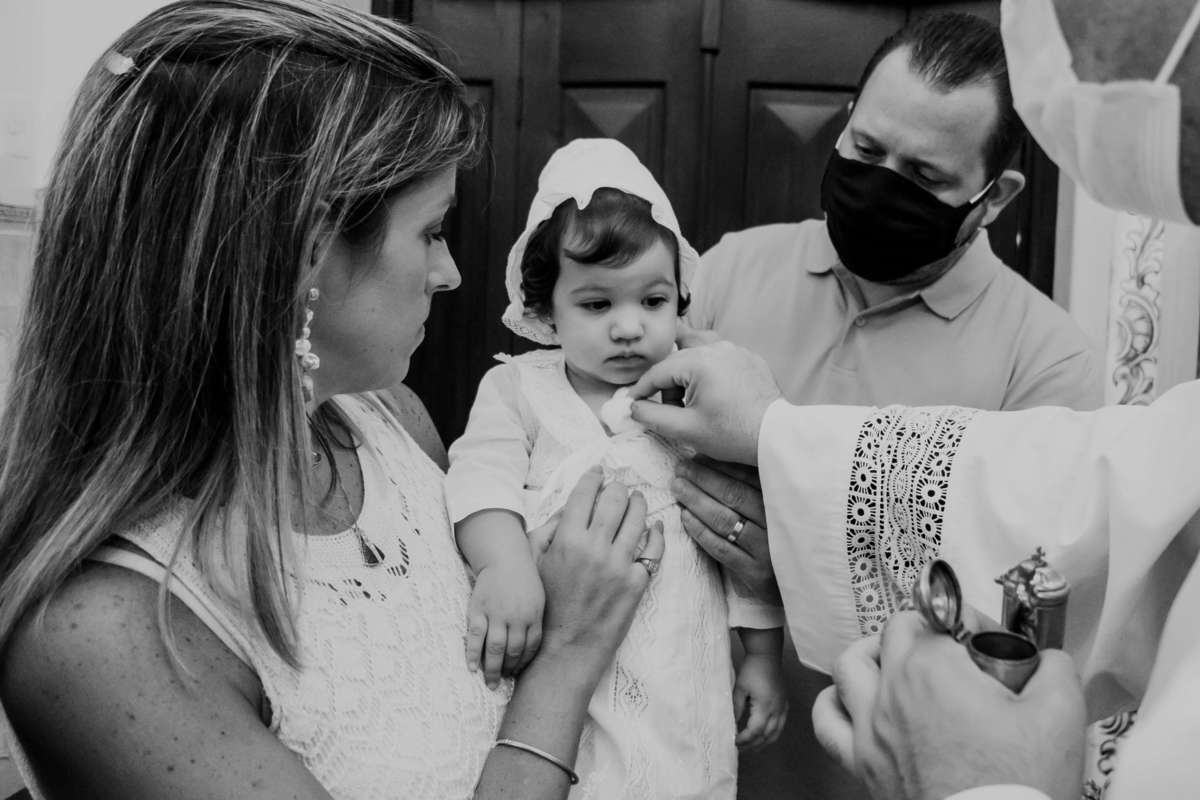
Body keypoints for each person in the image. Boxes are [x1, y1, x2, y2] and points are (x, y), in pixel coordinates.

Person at [0, 4, 662, 799]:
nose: (450, 274)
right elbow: (545, 676)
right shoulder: (105, 632)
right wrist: (570, 653)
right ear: (304, 252)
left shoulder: (389, 422)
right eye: (432, 232)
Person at [622, 0, 1200, 794]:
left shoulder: (1049, 361)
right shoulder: (727, 270)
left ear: (994, 197)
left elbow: (1020, 643)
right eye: (865, 149)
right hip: (690, 746)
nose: (879, 184)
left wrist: (790, 561)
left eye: (924, 177)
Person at [445, 138, 787, 799]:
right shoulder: (520, 391)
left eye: (652, 301)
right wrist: (503, 565)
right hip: (559, 669)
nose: (629, 327)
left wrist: (763, 659)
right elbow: (479, 482)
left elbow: (740, 537)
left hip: (681, 684)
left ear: (679, 297)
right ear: (545, 309)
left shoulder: (696, 400)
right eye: (598, 305)